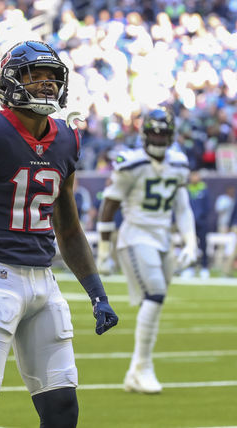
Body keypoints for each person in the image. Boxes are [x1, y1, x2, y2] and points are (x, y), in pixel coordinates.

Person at [0, 40, 119, 428]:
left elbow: (69, 227)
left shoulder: (67, 137)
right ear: (11, 82)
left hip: (43, 279)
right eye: (36, 75)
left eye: (52, 76)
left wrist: (97, 293)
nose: (46, 84)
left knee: (62, 408)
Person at [96, 107, 197, 394]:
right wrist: (105, 248)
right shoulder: (131, 164)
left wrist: (191, 241)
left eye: (163, 132)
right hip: (136, 236)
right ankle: (143, 366)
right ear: (144, 134)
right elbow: (109, 206)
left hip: (164, 238)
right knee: (155, 293)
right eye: (154, 131)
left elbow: (182, 206)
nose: (158, 137)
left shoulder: (178, 163)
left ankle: (135, 372)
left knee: (153, 302)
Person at [185, 170, 210, 278]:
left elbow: (207, 205)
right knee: (190, 245)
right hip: (189, 223)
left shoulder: (203, 189)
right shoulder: (186, 189)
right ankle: (190, 267)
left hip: (201, 222)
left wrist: (202, 216)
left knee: (203, 245)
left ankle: (204, 267)